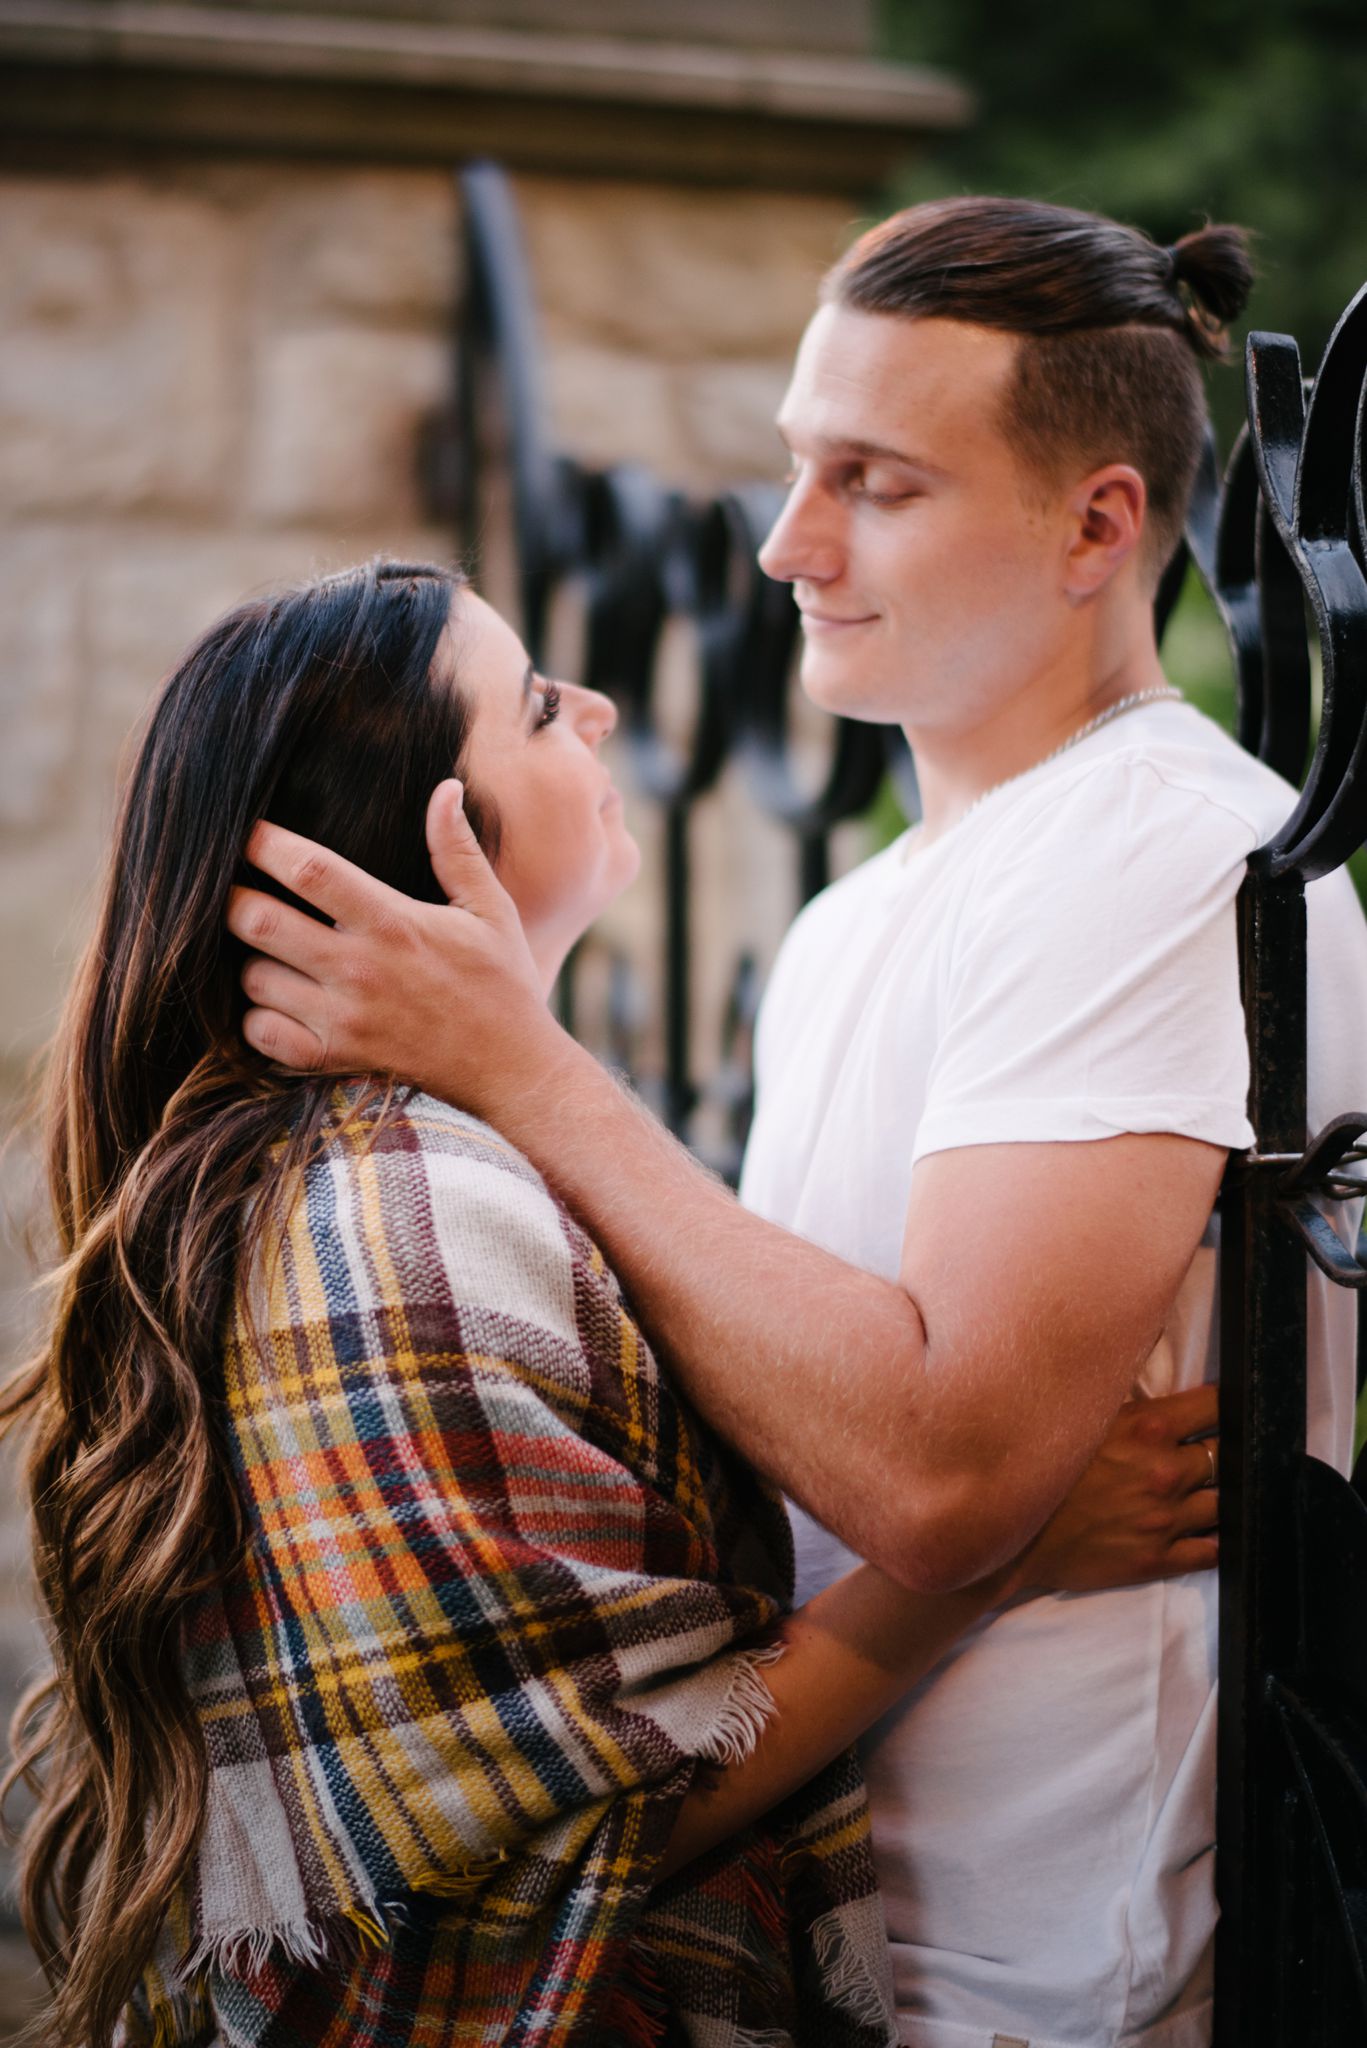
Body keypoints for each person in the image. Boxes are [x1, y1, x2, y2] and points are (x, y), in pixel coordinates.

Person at [225, 198, 1367, 2048]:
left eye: (878, 484)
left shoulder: (1156, 849)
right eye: (794, 467)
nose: (786, 543)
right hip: (819, 1936)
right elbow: (805, 1485)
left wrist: (526, 1065)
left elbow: (933, 1478)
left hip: (1054, 1985)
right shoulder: (856, 922)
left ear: (1099, 523)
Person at [1, 559, 1216, 2048]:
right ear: (432, 843)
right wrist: (993, 1552)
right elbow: (568, 1825)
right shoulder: (401, 1214)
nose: (600, 710)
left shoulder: (407, 1172)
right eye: (533, 706)